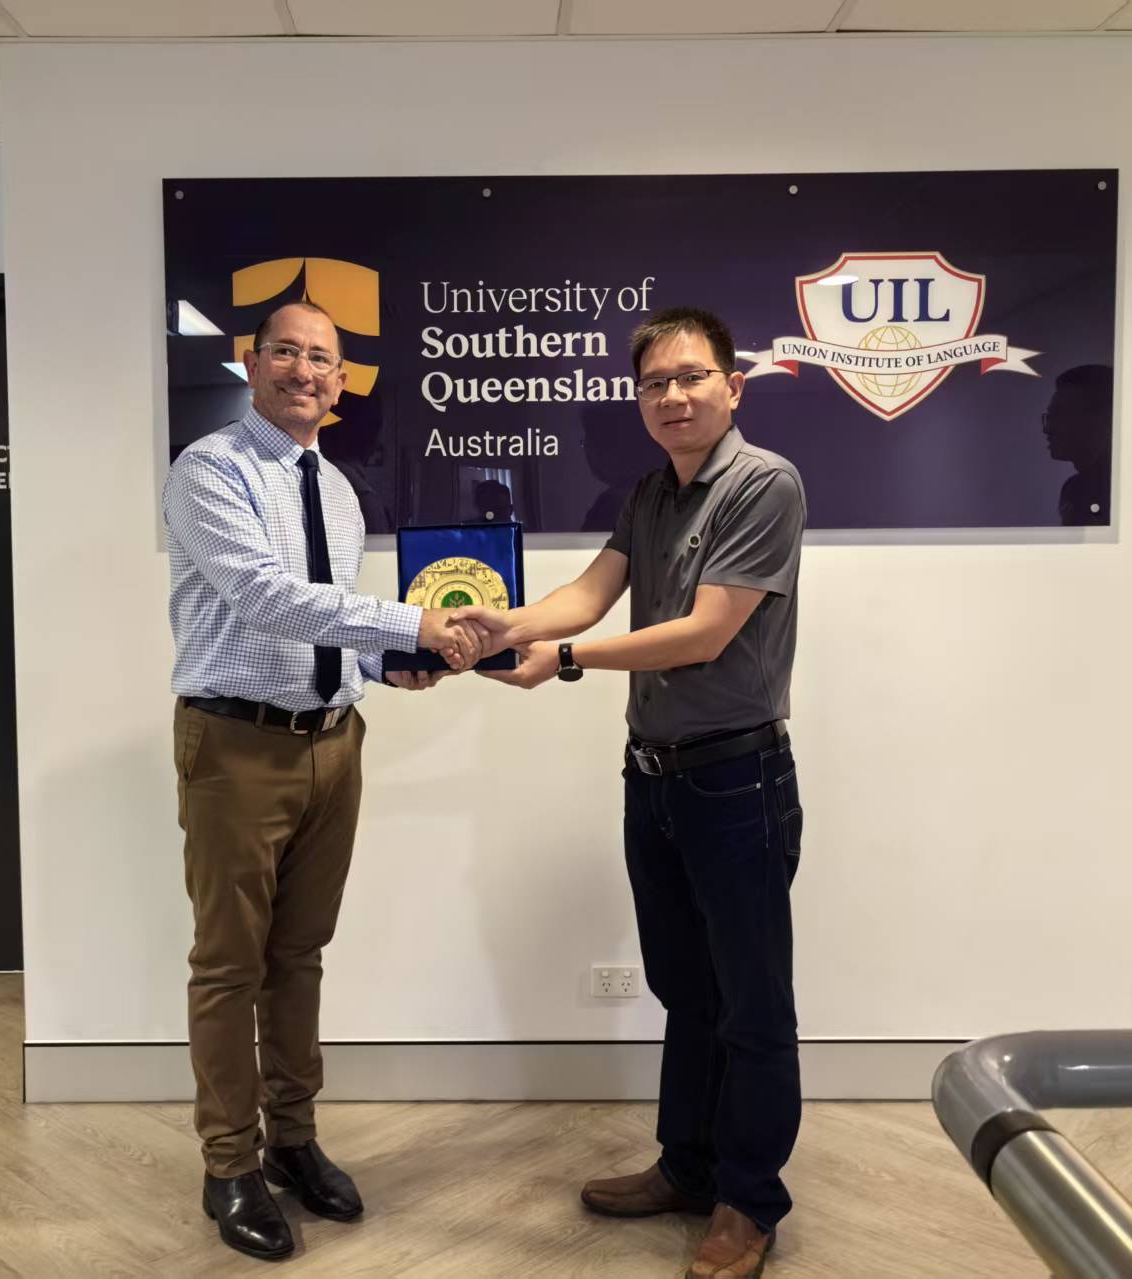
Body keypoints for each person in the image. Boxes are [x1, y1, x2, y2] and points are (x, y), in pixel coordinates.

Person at [462, 306, 807, 1279]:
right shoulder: (650, 494)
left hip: (736, 778)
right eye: (654, 383)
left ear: (732, 386)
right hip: (653, 778)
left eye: (690, 377)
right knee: (684, 991)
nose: (672, 396)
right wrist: (496, 627)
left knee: (750, 1003)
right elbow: (588, 592)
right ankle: (687, 1167)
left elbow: (705, 631)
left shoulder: (764, 483)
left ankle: (748, 1200)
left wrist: (565, 659)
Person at [162, 299, 482, 1262]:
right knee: (230, 963)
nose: (305, 371)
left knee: (300, 955)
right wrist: (413, 623)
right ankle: (229, 1162)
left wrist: (388, 663)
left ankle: (293, 1139)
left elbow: (327, 623)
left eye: (323, 359)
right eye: (287, 353)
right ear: (251, 362)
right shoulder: (209, 468)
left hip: (333, 743)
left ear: (341, 381)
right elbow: (265, 598)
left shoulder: (337, 489)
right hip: (236, 747)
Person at [1041, 364, 1113, 525]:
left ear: (1098, 420)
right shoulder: (1075, 490)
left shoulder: (1081, 490)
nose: (1047, 429)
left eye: (1059, 416)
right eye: (1050, 417)